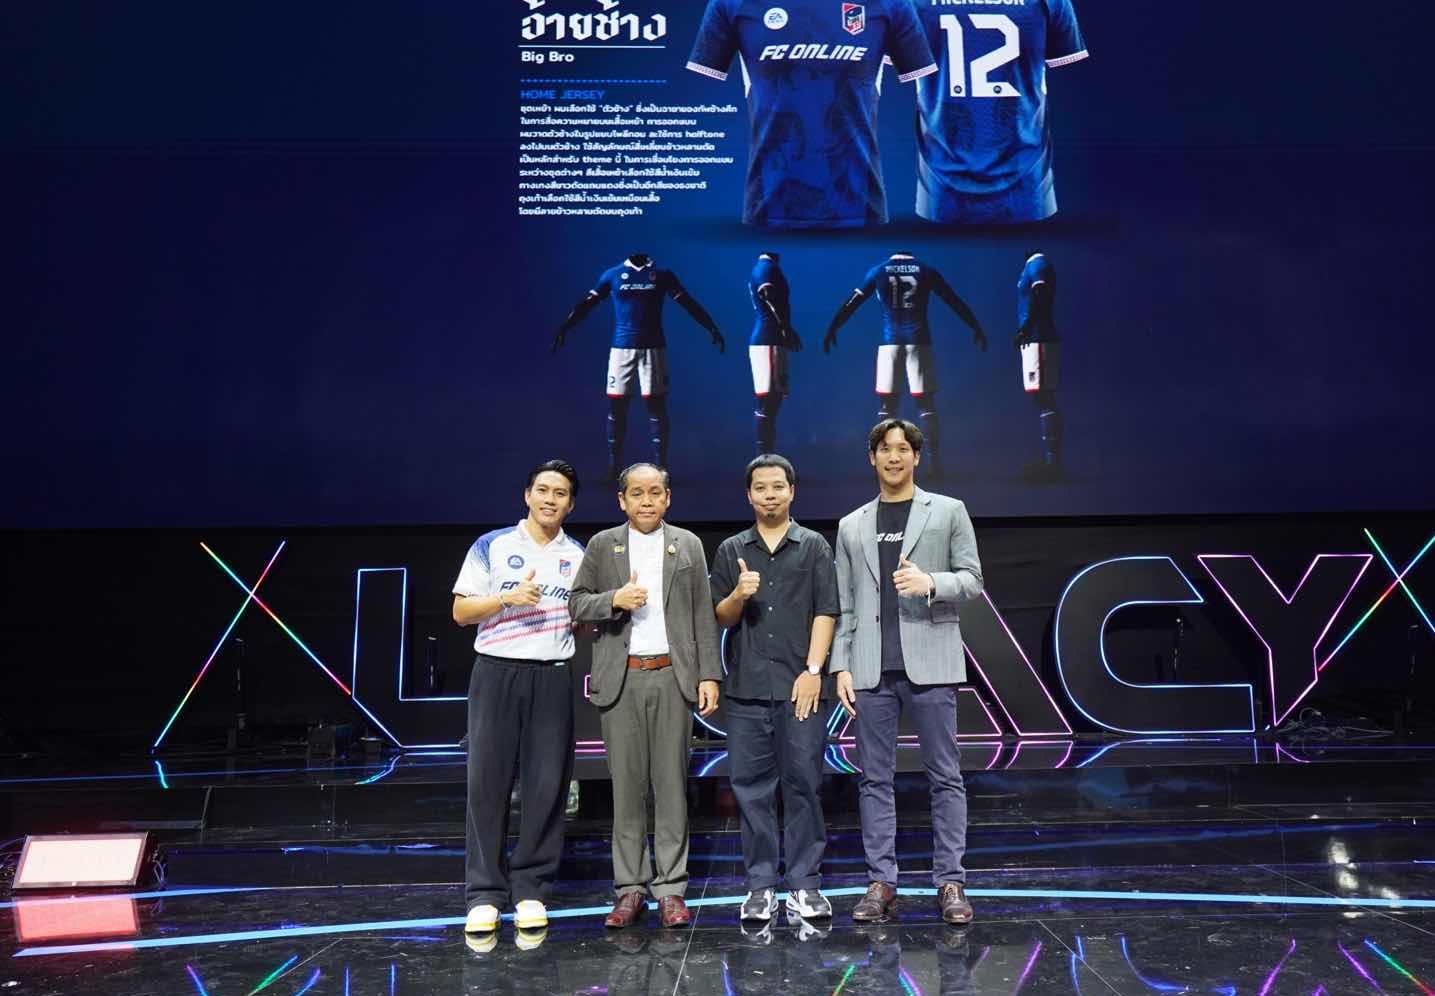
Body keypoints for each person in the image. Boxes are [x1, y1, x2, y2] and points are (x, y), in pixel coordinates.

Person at [830, 420, 984, 925]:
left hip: (932, 663)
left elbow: (972, 580)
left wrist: (930, 582)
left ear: (916, 457)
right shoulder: (851, 525)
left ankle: (951, 882)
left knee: (945, 776)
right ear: (872, 457)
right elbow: (845, 604)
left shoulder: (948, 510)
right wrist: (841, 665)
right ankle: (881, 882)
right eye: (884, 449)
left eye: (903, 449)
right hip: (871, 669)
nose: (893, 457)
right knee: (874, 779)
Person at [568, 463, 723, 928]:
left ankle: (671, 888)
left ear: (668, 498)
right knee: (627, 789)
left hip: (672, 677)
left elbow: (702, 614)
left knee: (672, 786)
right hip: (623, 678)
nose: (647, 501)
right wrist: (614, 599)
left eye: (655, 492)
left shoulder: (687, 544)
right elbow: (577, 603)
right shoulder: (603, 544)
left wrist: (709, 675)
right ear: (622, 500)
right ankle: (630, 888)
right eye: (637, 493)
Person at [452, 459, 586, 937]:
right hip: (496, 672)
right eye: (543, 490)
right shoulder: (492, 545)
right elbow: (461, 612)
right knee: (486, 783)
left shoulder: (579, 555)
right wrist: (506, 599)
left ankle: (532, 888)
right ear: (527, 495)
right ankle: (484, 892)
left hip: (551, 676)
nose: (550, 499)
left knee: (547, 785)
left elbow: (581, 618)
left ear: (571, 504)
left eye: (560, 493)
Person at [710, 454, 838, 922]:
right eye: (761, 488)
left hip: (800, 687)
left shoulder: (814, 546)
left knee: (804, 784)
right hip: (746, 690)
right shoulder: (731, 549)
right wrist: (738, 594)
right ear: (749, 495)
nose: (770, 495)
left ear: (792, 491)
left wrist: (813, 670)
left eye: (778, 487)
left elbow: (827, 610)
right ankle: (760, 885)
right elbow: (721, 616)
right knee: (751, 790)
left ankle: (805, 884)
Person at [550, 254, 725, 480]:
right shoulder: (612, 275)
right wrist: (564, 327)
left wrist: (711, 327)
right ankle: (614, 467)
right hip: (621, 350)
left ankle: (661, 467)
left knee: (656, 406)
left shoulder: (662, 275)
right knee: (617, 407)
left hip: (654, 349)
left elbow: (688, 303)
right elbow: (586, 304)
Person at [823, 253, 987, 479]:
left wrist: (833, 327)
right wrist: (975, 326)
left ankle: (883, 464)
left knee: (887, 405)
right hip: (919, 341)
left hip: (889, 342)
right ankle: (934, 464)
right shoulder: (926, 270)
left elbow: (853, 302)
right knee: (926, 404)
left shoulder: (879, 270)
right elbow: (953, 300)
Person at [1014, 252, 1063, 479]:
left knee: (1044, 397)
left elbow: (1041, 293)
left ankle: (1053, 464)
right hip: (1035, 338)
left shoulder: (1038, 263)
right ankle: (1052, 462)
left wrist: (1026, 328)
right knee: (1042, 397)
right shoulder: (1032, 265)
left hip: (1039, 337)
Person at [747, 253, 802, 454]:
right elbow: (768, 295)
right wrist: (786, 328)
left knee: (773, 400)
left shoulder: (766, 267)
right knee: (768, 401)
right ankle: (763, 457)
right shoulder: (766, 268)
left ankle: (766, 454)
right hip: (768, 339)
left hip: (771, 339)